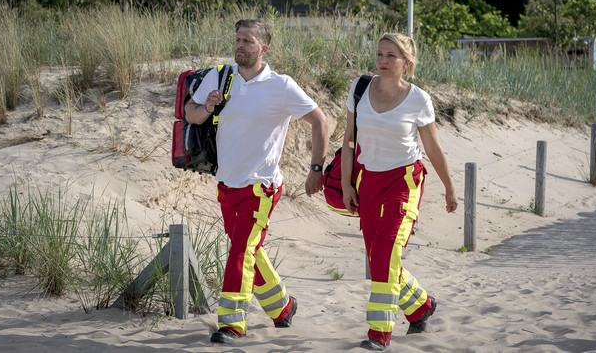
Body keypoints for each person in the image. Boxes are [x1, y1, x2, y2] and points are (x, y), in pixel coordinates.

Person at [185, 19, 329, 344]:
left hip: (261, 186)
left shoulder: (281, 86)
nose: (239, 45)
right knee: (250, 249)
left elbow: (321, 121)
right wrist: (206, 106)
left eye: (247, 41)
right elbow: (190, 114)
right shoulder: (220, 77)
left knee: (240, 251)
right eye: (237, 39)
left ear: (264, 48)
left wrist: (316, 168)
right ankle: (283, 307)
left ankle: (232, 324)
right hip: (226, 183)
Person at [341, 33, 458, 351]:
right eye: (380, 54)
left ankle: (379, 332)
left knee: (385, 251)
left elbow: (432, 148)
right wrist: (347, 182)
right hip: (368, 181)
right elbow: (349, 139)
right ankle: (421, 306)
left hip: (404, 182)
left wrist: (449, 188)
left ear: (407, 62)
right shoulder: (360, 87)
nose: (383, 60)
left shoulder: (419, 99)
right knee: (377, 255)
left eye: (391, 55)